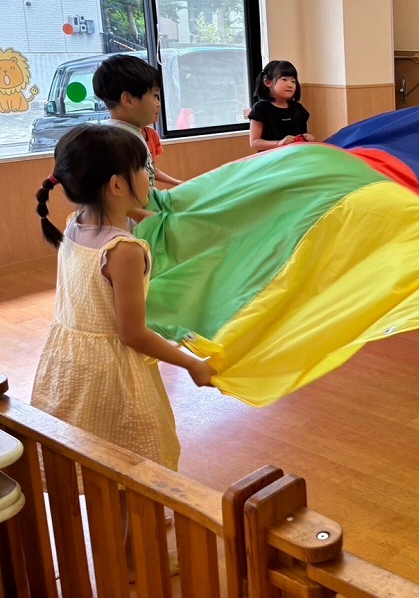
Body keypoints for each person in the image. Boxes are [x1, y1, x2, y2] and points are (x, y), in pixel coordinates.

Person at [31, 124, 216, 477]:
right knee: (133, 463)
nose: (149, 176)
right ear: (117, 185)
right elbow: (132, 334)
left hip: (70, 364)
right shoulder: (124, 251)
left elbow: (124, 220)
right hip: (113, 375)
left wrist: (159, 217)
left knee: (88, 455)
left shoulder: (75, 224)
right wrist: (191, 363)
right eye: (143, 169)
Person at [93, 55, 183, 191]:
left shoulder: (132, 133)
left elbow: (148, 173)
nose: (158, 104)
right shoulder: (119, 142)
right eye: (155, 96)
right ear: (128, 100)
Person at [249, 60, 313, 151]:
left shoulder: (298, 108)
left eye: (293, 81)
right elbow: (254, 143)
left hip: (296, 156)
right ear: (268, 82)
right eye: (284, 79)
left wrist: (307, 137)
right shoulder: (260, 108)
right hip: (271, 158)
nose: (290, 85)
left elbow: (305, 133)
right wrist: (279, 143)